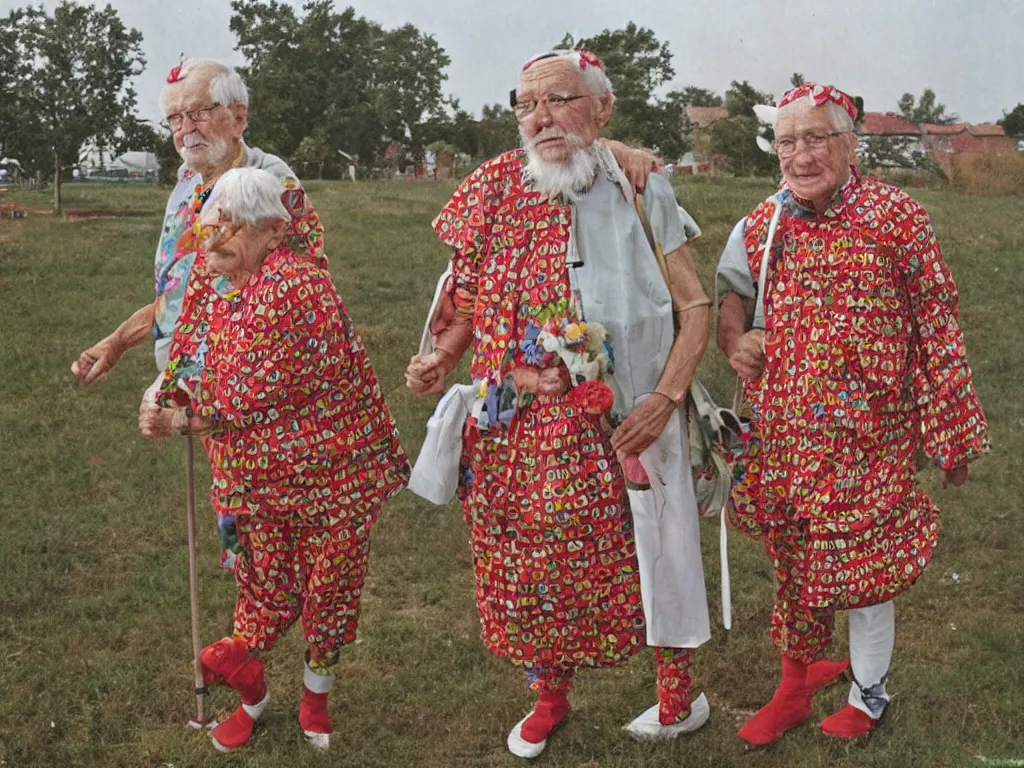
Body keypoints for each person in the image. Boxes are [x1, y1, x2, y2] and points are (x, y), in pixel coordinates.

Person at [405, 50, 712, 759]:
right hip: (518, 423)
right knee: (531, 564)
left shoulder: (641, 189)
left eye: (560, 100)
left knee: (657, 546)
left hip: (628, 414)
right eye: (526, 104)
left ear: (601, 109)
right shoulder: (492, 189)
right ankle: (548, 698)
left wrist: (666, 397)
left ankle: (678, 698)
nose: (541, 118)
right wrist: (441, 356)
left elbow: (694, 306)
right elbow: (468, 300)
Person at [715, 83, 989, 744]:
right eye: (787, 141)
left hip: (872, 436)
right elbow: (732, 297)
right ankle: (795, 686)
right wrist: (736, 342)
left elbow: (937, 327)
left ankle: (869, 694)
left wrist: (952, 436)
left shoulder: (899, 219)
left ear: (849, 143)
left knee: (865, 568)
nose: (801, 155)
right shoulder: (763, 223)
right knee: (793, 560)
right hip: (784, 434)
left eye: (816, 138)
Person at [144, 167, 409, 752]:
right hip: (254, 476)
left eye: (229, 226)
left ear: (271, 232)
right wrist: (163, 395)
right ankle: (252, 692)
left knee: (329, 585)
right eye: (209, 222)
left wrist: (186, 417)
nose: (212, 238)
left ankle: (315, 699)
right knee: (261, 579)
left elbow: (256, 388)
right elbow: (188, 354)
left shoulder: (295, 284)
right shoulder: (216, 280)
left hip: (333, 472)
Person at [71, 58, 324, 570]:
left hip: (256, 399)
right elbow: (180, 293)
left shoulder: (268, 184)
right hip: (202, 390)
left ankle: (288, 632)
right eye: (174, 120)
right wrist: (119, 341)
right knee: (234, 530)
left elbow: (283, 307)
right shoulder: (186, 187)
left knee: (278, 531)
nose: (185, 130)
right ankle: (250, 618)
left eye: (198, 113)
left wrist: (193, 407)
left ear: (238, 114)